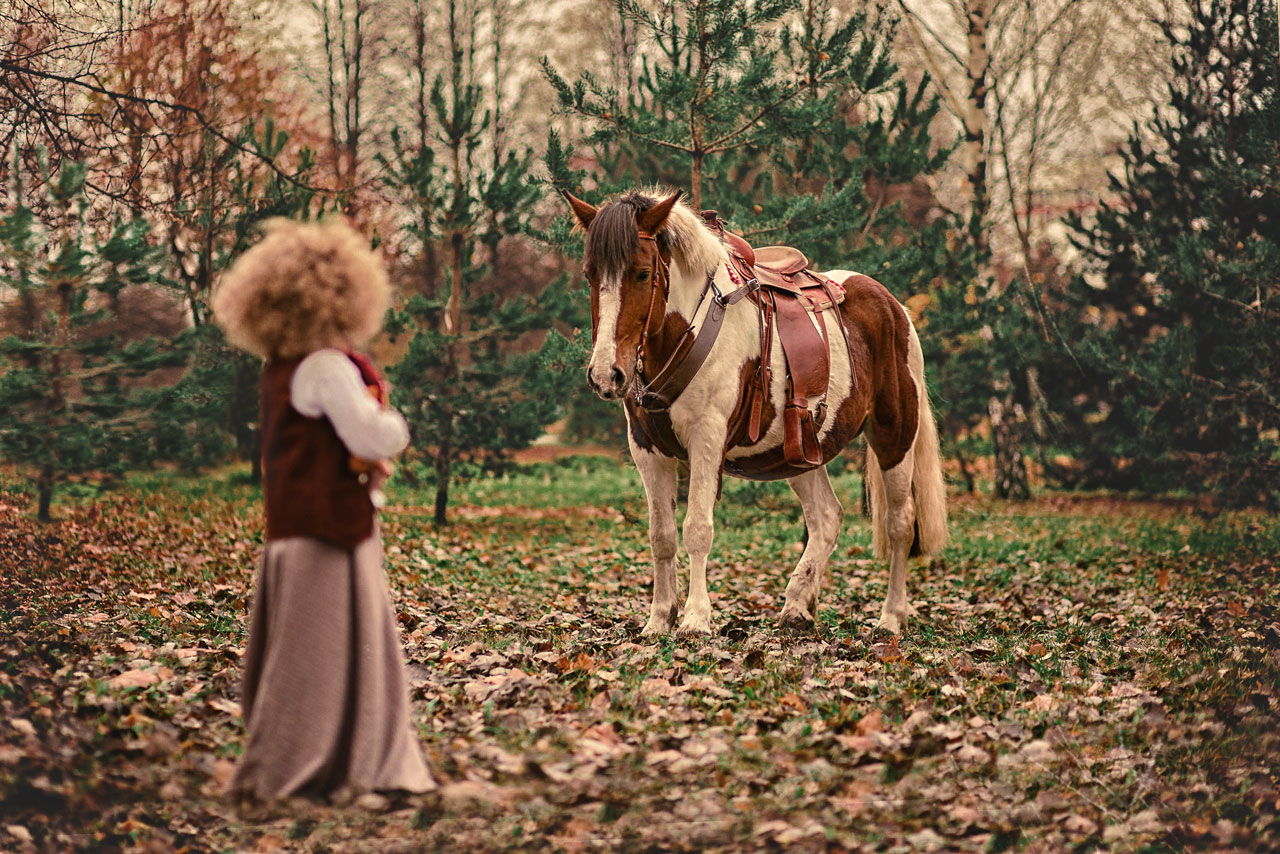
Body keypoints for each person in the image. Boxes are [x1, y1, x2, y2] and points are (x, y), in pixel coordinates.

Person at [212, 217, 435, 801]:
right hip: (329, 533)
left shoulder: (281, 368)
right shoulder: (327, 366)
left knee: (311, 651)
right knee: (320, 653)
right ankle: (323, 762)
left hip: (294, 530)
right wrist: (395, 423)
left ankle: (323, 757)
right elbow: (371, 438)